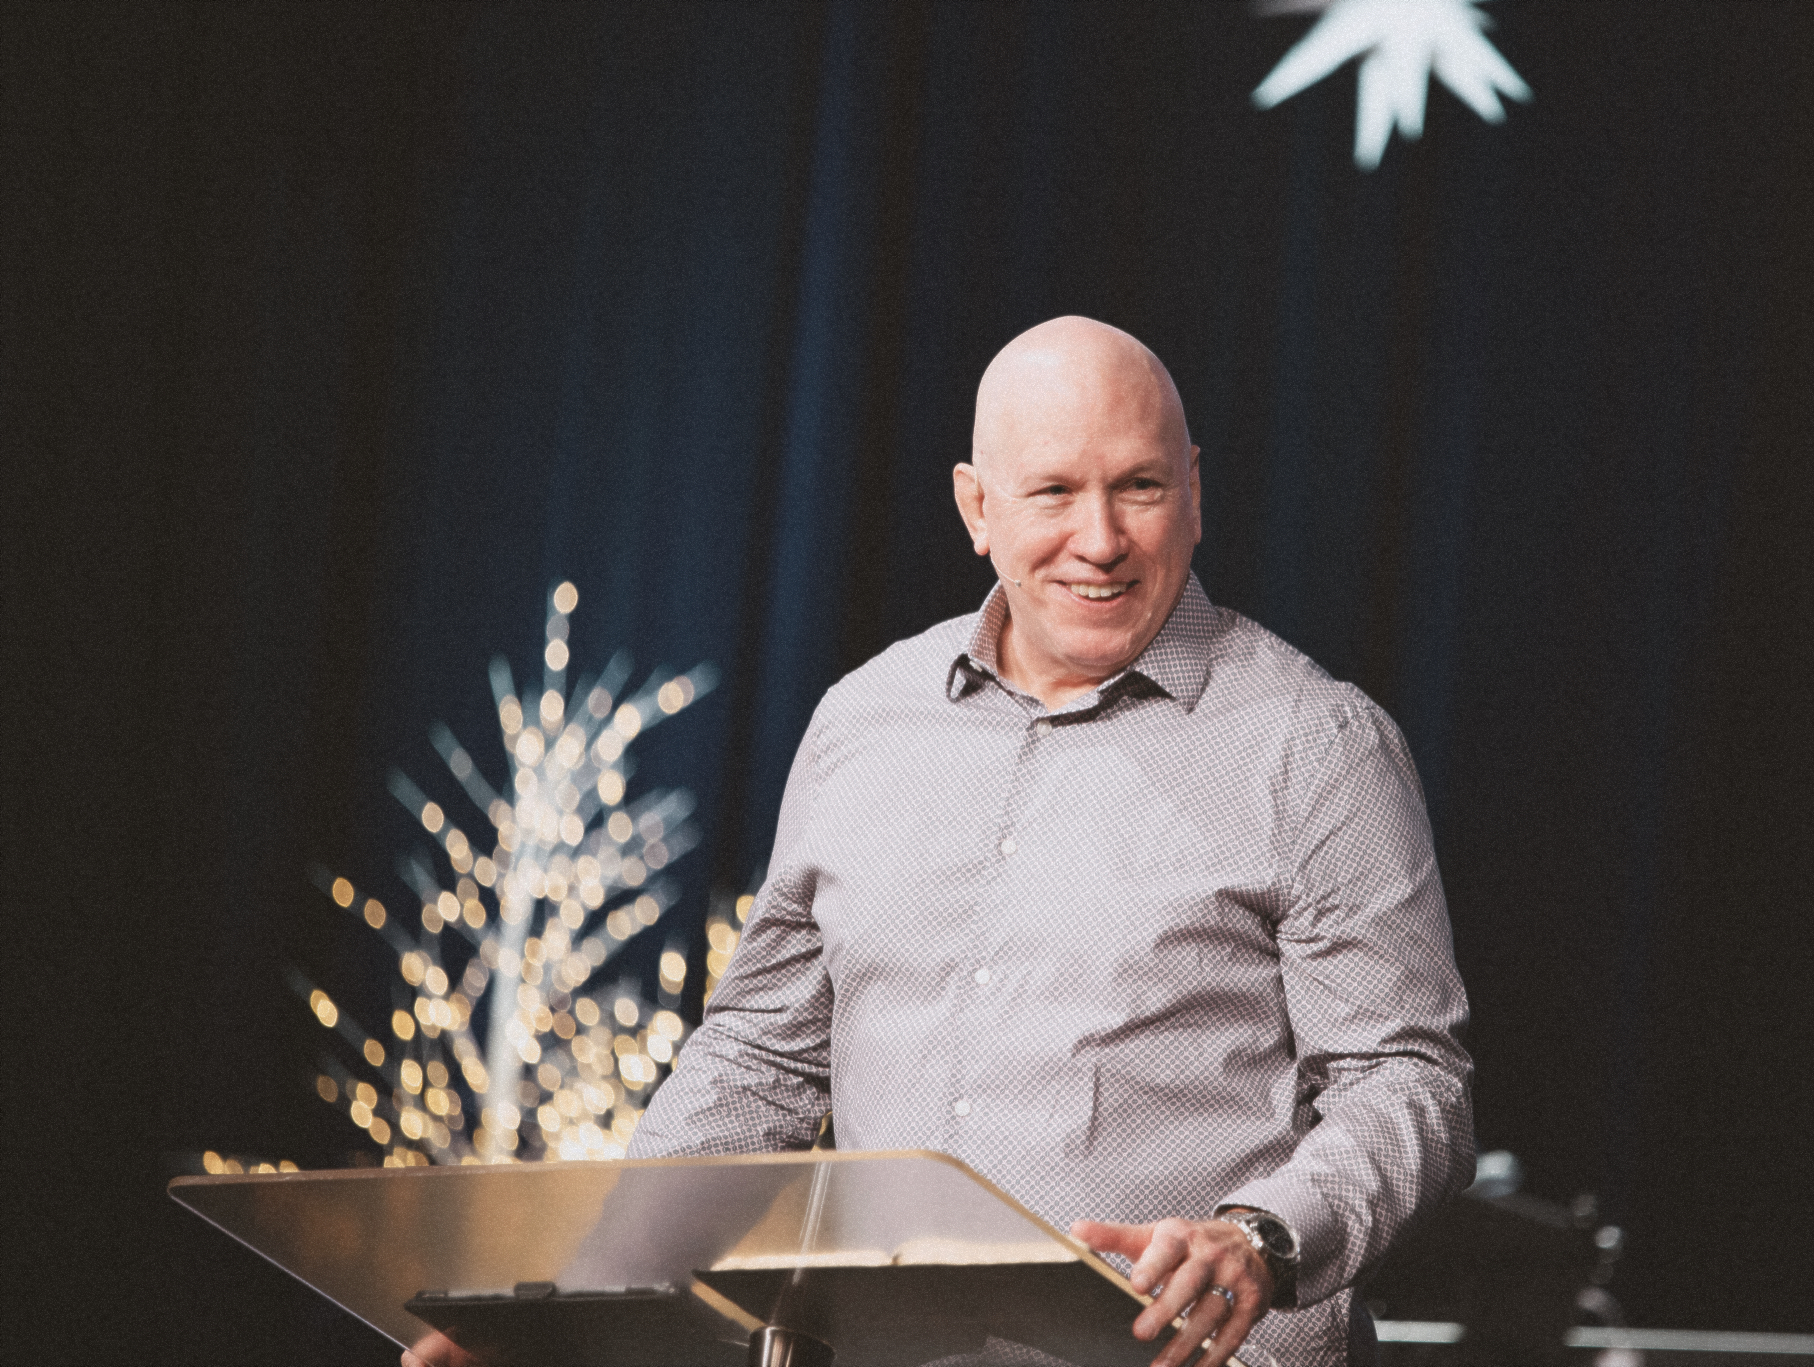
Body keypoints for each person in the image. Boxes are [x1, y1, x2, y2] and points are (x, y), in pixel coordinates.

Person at [407, 316, 1473, 1367]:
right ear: (976, 507)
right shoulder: (864, 721)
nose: (1101, 537)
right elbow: (759, 1058)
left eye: (1140, 486)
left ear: (1193, 489)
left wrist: (1262, 1236)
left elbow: (1407, 1081)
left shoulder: (1315, 745)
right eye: (1053, 491)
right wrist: (571, 1309)